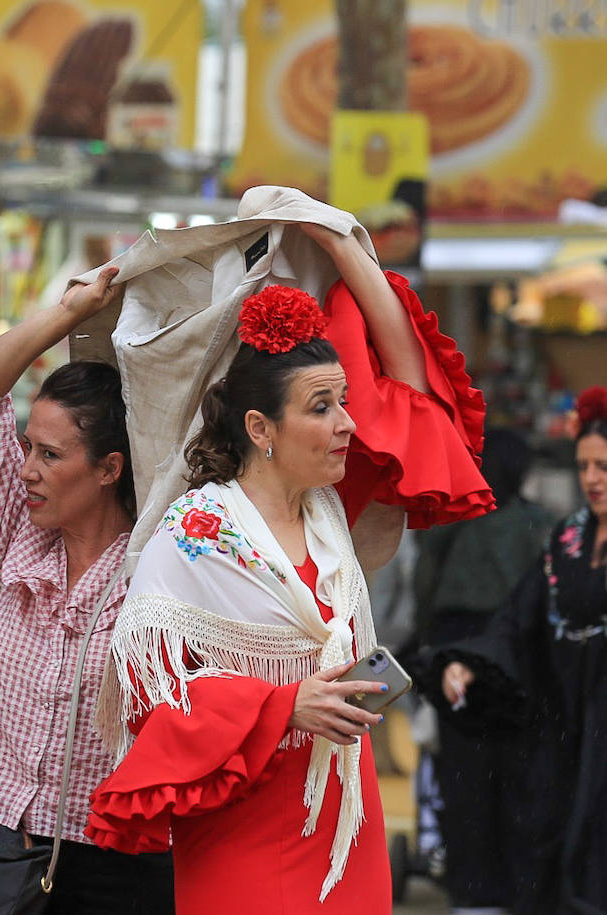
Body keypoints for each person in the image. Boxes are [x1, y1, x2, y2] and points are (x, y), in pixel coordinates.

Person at [85, 223, 491, 913]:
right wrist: (283, 704)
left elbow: (412, 385)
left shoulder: (333, 511)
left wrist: (340, 245)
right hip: (240, 824)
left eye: (343, 402)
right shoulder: (194, 535)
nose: (347, 425)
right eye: (321, 406)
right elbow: (156, 702)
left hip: (346, 823)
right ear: (260, 428)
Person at [0, 266, 175, 913]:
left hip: (118, 860)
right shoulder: (20, 534)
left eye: (49, 454)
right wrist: (69, 313)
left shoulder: (160, 567)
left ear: (108, 468)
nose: (27, 469)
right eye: (26, 447)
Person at [436, 388, 607, 914]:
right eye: (584, 467)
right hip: (566, 712)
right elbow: (518, 614)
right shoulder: (569, 538)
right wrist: (470, 660)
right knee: (555, 830)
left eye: (603, 466)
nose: (592, 479)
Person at [412, 428, 551, 912]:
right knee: (521, 775)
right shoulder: (543, 524)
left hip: (456, 650)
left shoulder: (456, 522)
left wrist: (427, 644)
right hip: (520, 661)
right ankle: (521, 888)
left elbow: (425, 585)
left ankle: (472, 892)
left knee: (464, 776)